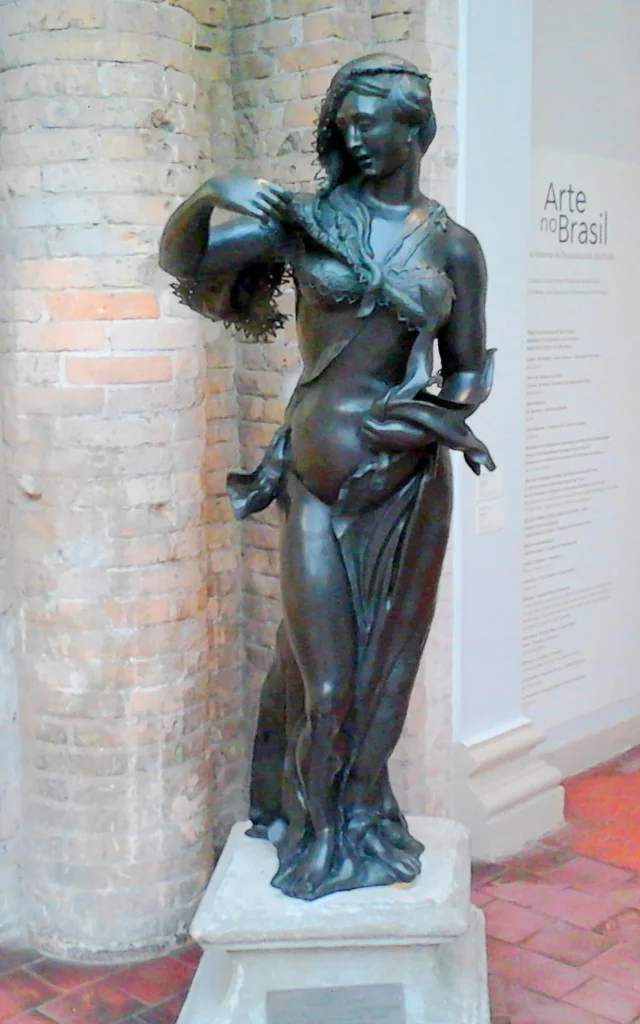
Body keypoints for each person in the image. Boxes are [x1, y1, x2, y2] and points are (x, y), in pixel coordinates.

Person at [159, 53, 495, 901]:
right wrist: (208, 194)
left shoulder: (453, 246)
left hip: (405, 485)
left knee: (384, 669)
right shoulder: (308, 223)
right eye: (343, 124)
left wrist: (425, 416)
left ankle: (356, 819)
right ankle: (313, 830)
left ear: (414, 129)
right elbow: (188, 265)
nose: (353, 137)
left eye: (369, 122)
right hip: (314, 472)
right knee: (327, 677)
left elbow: (464, 371)